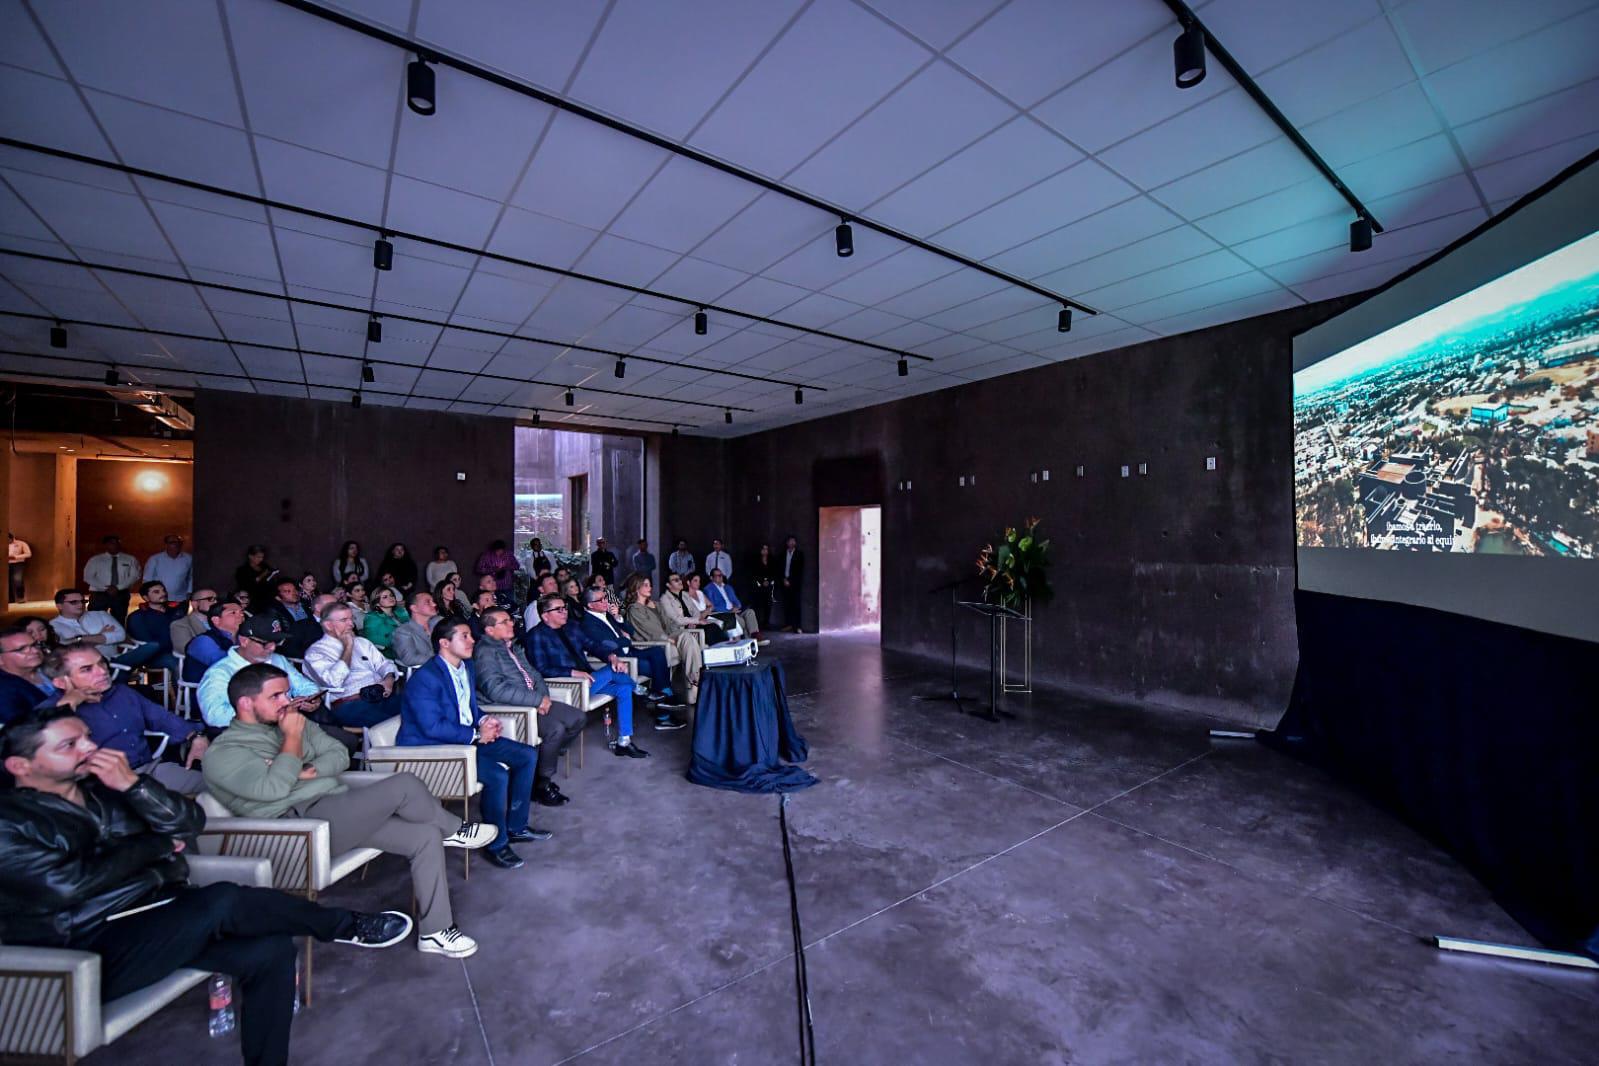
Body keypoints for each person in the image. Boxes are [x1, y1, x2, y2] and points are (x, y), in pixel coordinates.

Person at [0, 706, 414, 1066]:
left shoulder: (110, 789)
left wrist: (134, 786)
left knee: (270, 952)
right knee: (222, 898)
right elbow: (68, 886)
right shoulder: (10, 821)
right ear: (20, 766)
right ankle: (342, 926)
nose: (89, 749)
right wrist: (157, 849)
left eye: (86, 738)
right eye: (68, 746)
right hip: (89, 948)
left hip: (159, 915)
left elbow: (190, 823)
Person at [204, 663, 495, 954]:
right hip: (297, 832)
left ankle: (435, 931)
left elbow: (339, 754)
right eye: (276, 696)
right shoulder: (224, 752)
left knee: (424, 836)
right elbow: (274, 790)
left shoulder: (290, 723)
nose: (287, 702)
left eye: (286, 694)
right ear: (245, 703)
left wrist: (304, 767)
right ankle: (456, 829)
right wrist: (292, 741)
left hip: (337, 809)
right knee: (404, 785)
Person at [399, 619, 548, 869]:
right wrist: (476, 735)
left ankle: (516, 827)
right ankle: (496, 844)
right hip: (435, 749)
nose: (472, 641)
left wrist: (485, 719)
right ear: (444, 643)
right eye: (464, 636)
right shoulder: (426, 678)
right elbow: (432, 727)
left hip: (466, 740)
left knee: (527, 755)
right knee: (498, 775)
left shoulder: (465, 667)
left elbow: (467, 708)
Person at [41, 645, 206, 794]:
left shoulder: (122, 692)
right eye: (87, 669)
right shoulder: (47, 713)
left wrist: (196, 737)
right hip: (101, 788)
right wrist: (68, 705)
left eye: (102, 663)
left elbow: (162, 717)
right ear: (61, 682)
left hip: (149, 771)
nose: (102, 671)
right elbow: (47, 760)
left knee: (219, 787)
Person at [473, 607, 582, 807]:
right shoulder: (485, 652)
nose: (511, 624)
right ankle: (543, 783)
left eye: (510, 620)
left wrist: (543, 698)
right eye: (504, 622)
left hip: (533, 701)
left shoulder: (512, 646)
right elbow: (495, 690)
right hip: (513, 709)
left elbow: (535, 674)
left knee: (577, 718)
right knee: (555, 730)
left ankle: (542, 765)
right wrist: (535, 701)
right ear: (489, 630)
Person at [525, 592, 649, 758]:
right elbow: (541, 668)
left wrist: (610, 656)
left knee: (623, 687)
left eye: (564, 608)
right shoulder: (536, 636)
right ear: (545, 615)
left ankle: (624, 742)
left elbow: (593, 646)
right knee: (614, 671)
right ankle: (643, 691)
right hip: (568, 687)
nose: (564, 612)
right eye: (558, 610)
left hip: (589, 681)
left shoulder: (571, 627)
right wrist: (571, 672)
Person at [577, 586, 685, 724]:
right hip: (621, 659)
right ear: (590, 605)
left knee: (658, 652)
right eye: (601, 599)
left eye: (606, 597)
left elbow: (630, 631)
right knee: (657, 669)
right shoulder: (588, 623)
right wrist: (625, 639)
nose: (606, 601)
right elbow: (611, 645)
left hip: (631, 652)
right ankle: (664, 713)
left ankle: (666, 700)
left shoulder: (608, 615)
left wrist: (617, 617)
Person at [196, 614, 323, 730]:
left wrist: (310, 700)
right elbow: (214, 716)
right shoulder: (220, 673)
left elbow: (305, 686)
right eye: (266, 643)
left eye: (277, 642)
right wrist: (267, 710)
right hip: (248, 736)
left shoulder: (278, 660)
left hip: (289, 726)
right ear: (244, 641)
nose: (272, 648)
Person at [304, 602, 402, 728]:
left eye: (351, 618)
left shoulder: (362, 642)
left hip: (380, 694)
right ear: (328, 625)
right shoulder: (316, 653)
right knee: (394, 725)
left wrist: (388, 679)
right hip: (350, 704)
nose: (351, 624)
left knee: (417, 706)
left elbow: (384, 664)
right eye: (344, 620)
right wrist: (348, 647)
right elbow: (333, 682)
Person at [622, 573, 703, 704]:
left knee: (687, 637)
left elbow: (670, 624)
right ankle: (695, 685)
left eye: (650, 585)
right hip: (652, 643)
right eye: (646, 585)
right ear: (636, 588)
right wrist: (668, 639)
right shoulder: (634, 609)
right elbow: (650, 631)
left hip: (667, 636)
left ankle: (695, 682)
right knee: (685, 641)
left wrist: (659, 609)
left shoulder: (656, 604)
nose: (650, 587)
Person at [0, 623, 57, 725]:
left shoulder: (50, 667)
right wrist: (67, 702)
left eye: (34, 645)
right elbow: (21, 731)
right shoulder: (4, 691)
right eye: (21, 649)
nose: (35, 651)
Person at [124, 580, 182, 675]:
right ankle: (184, 690)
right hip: (153, 656)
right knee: (177, 663)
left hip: (179, 651)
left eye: (164, 590)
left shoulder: (176, 612)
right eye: (156, 592)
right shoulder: (137, 617)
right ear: (145, 598)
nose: (163, 593)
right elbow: (147, 643)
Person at [84, 534, 141, 623]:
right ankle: (95, 636)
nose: (114, 545)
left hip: (121, 594)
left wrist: (118, 587)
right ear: (106, 545)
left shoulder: (130, 559)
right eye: (111, 543)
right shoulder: (95, 560)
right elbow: (88, 577)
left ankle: (118, 636)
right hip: (99, 594)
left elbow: (135, 575)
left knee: (119, 619)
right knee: (95, 619)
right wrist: (106, 588)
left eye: (117, 542)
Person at [184, 599, 243, 683]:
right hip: (207, 690)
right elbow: (224, 664)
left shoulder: (243, 638)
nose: (240, 616)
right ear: (216, 620)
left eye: (241, 612)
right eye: (233, 613)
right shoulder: (203, 641)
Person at [660, 572, 726, 644]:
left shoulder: (685, 595)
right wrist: (694, 621)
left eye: (679, 579)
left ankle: (723, 650)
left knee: (715, 626)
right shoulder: (665, 599)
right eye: (676, 580)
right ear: (668, 585)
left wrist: (694, 622)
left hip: (694, 624)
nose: (680, 581)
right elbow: (677, 620)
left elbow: (696, 612)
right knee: (710, 629)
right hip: (680, 628)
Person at [49, 587, 126, 648]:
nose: (81, 605)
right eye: (74, 602)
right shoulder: (53, 625)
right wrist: (101, 635)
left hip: (115, 660)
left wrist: (80, 639)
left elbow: (121, 635)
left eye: (83, 601)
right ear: (59, 606)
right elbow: (70, 648)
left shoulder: (101, 614)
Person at [706, 568, 766, 644]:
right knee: (742, 621)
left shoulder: (728, 587)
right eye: (718, 575)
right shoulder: (708, 589)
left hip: (735, 612)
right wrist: (729, 611)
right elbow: (712, 607)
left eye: (721, 575)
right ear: (711, 578)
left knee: (750, 612)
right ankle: (750, 640)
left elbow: (737, 602)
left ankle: (755, 636)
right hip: (725, 614)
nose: (721, 577)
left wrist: (736, 607)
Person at [265, 578, 320, 658]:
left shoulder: (305, 605)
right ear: (278, 598)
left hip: (315, 643)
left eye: (294, 590)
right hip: (296, 650)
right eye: (288, 591)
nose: (294, 593)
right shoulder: (275, 612)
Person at [142, 534, 194, 614]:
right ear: (166, 544)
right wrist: (148, 596)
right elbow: (147, 579)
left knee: (179, 623)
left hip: (181, 598)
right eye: (172, 542)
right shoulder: (155, 559)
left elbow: (191, 577)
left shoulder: (188, 558)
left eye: (178, 542)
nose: (176, 544)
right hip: (160, 599)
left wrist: (189, 592)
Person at [391, 589, 441, 668]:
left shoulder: (439, 622)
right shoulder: (403, 631)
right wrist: (442, 659)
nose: (434, 604)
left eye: (433, 601)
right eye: (428, 602)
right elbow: (409, 658)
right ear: (414, 608)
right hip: (424, 672)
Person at [362, 586, 410, 653]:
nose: (390, 598)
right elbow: (375, 640)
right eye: (385, 597)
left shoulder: (401, 612)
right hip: (391, 653)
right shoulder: (372, 618)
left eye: (391, 595)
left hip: (409, 647)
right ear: (377, 603)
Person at [170, 588, 217, 655]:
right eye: (210, 599)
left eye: (216, 599)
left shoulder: (219, 621)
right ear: (195, 604)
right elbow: (186, 649)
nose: (215, 602)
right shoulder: (180, 625)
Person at [233, 544, 281, 611]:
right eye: (258, 557)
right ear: (250, 556)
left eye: (262, 557)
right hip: (254, 600)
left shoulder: (264, 566)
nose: (261, 559)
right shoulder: (243, 570)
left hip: (268, 597)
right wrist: (263, 575)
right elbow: (248, 585)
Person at [750, 542, 780, 631]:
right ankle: (758, 624)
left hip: (769, 586)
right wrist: (761, 581)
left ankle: (766, 623)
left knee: (768, 605)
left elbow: (774, 572)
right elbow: (753, 573)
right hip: (758, 586)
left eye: (766, 549)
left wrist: (768, 581)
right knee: (758, 605)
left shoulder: (772, 560)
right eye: (763, 549)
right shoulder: (755, 560)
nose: (765, 551)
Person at [781, 534, 806, 633]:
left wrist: (791, 581)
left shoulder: (799, 554)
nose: (791, 543)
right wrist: (784, 579)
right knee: (786, 604)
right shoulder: (783, 554)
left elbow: (800, 570)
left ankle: (798, 626)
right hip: (784, 581)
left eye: (793, 541)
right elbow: (780, 568)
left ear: (795, 543)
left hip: (795, 583)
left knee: (796, 605)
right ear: (787, 543)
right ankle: (788, 624)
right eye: (789, 541)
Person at [7, 530, 31, 601]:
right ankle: (10, 599)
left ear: (12, 538)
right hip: (5, 564)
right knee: (6, 582)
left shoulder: (21, 543)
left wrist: (15, 557)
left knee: (18, 580)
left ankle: (20, 597)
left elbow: (28, 554)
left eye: (8, 540)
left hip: (18, 563)